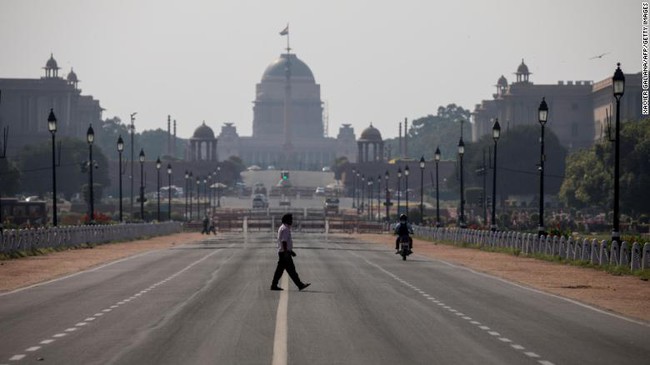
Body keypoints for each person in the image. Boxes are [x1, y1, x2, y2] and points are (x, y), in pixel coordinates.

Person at [270, 213, 311, 291]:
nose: (292, 221)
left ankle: (274, 285)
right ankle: (299, 285)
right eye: (290, 219)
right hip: (284, 253)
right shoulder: (285, 229)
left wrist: (291, 251)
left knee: (280, 270)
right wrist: (287, 252)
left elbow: (285, 242)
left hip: (283, 252)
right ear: (286, 220)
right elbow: (284, 241)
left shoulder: (283, 227)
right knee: (291, 270)